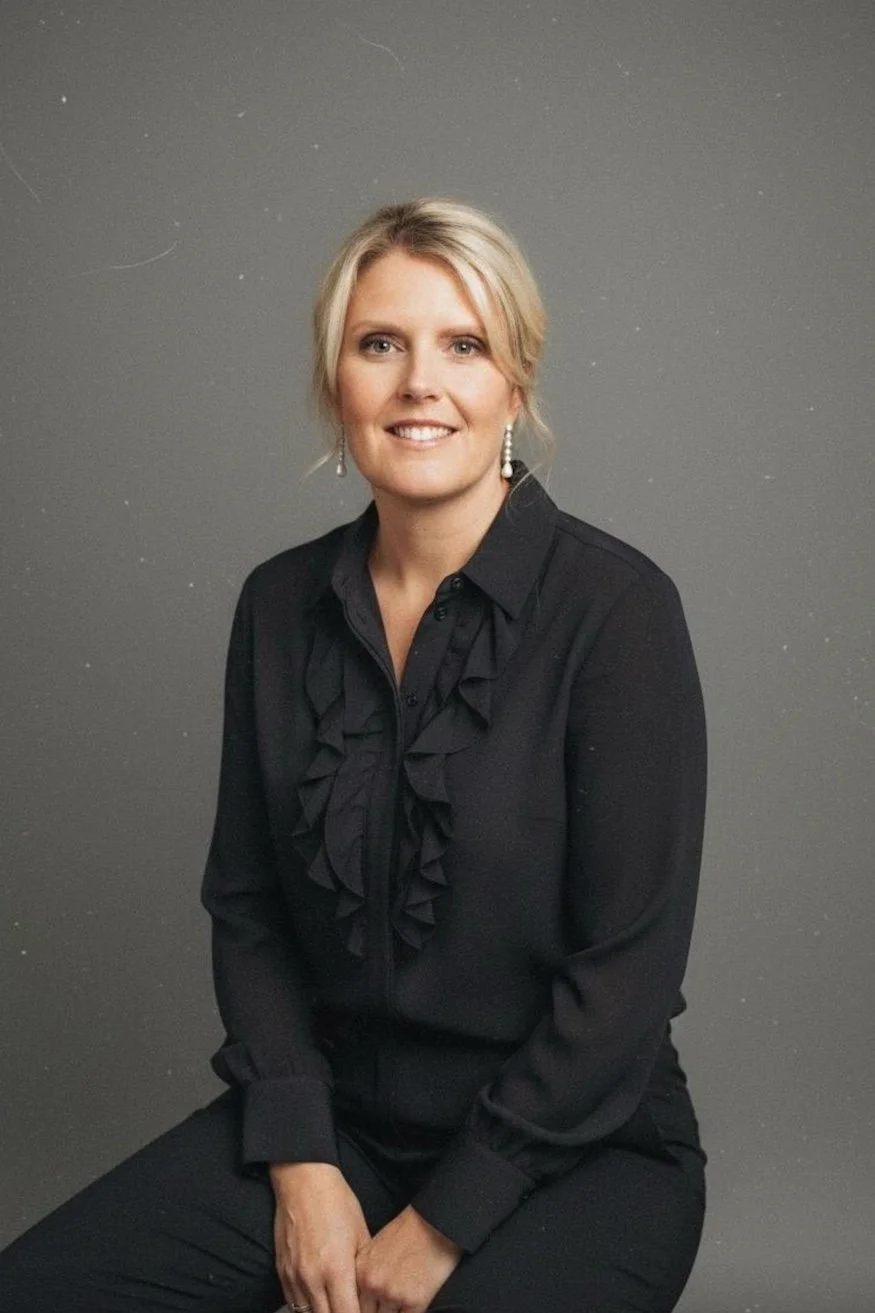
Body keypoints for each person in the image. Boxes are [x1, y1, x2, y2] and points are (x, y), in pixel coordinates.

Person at [1, 197, 708, 1313]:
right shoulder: (279, 605)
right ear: (338, 382)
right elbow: (247, 906)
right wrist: (301, 1159)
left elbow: (624, 982)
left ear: (513, 384)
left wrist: (439, 1222)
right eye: (380, 343)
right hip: (337, 1127)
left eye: (462, 345)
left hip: (575, 1153)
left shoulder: (615, 611)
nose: (419, 381)